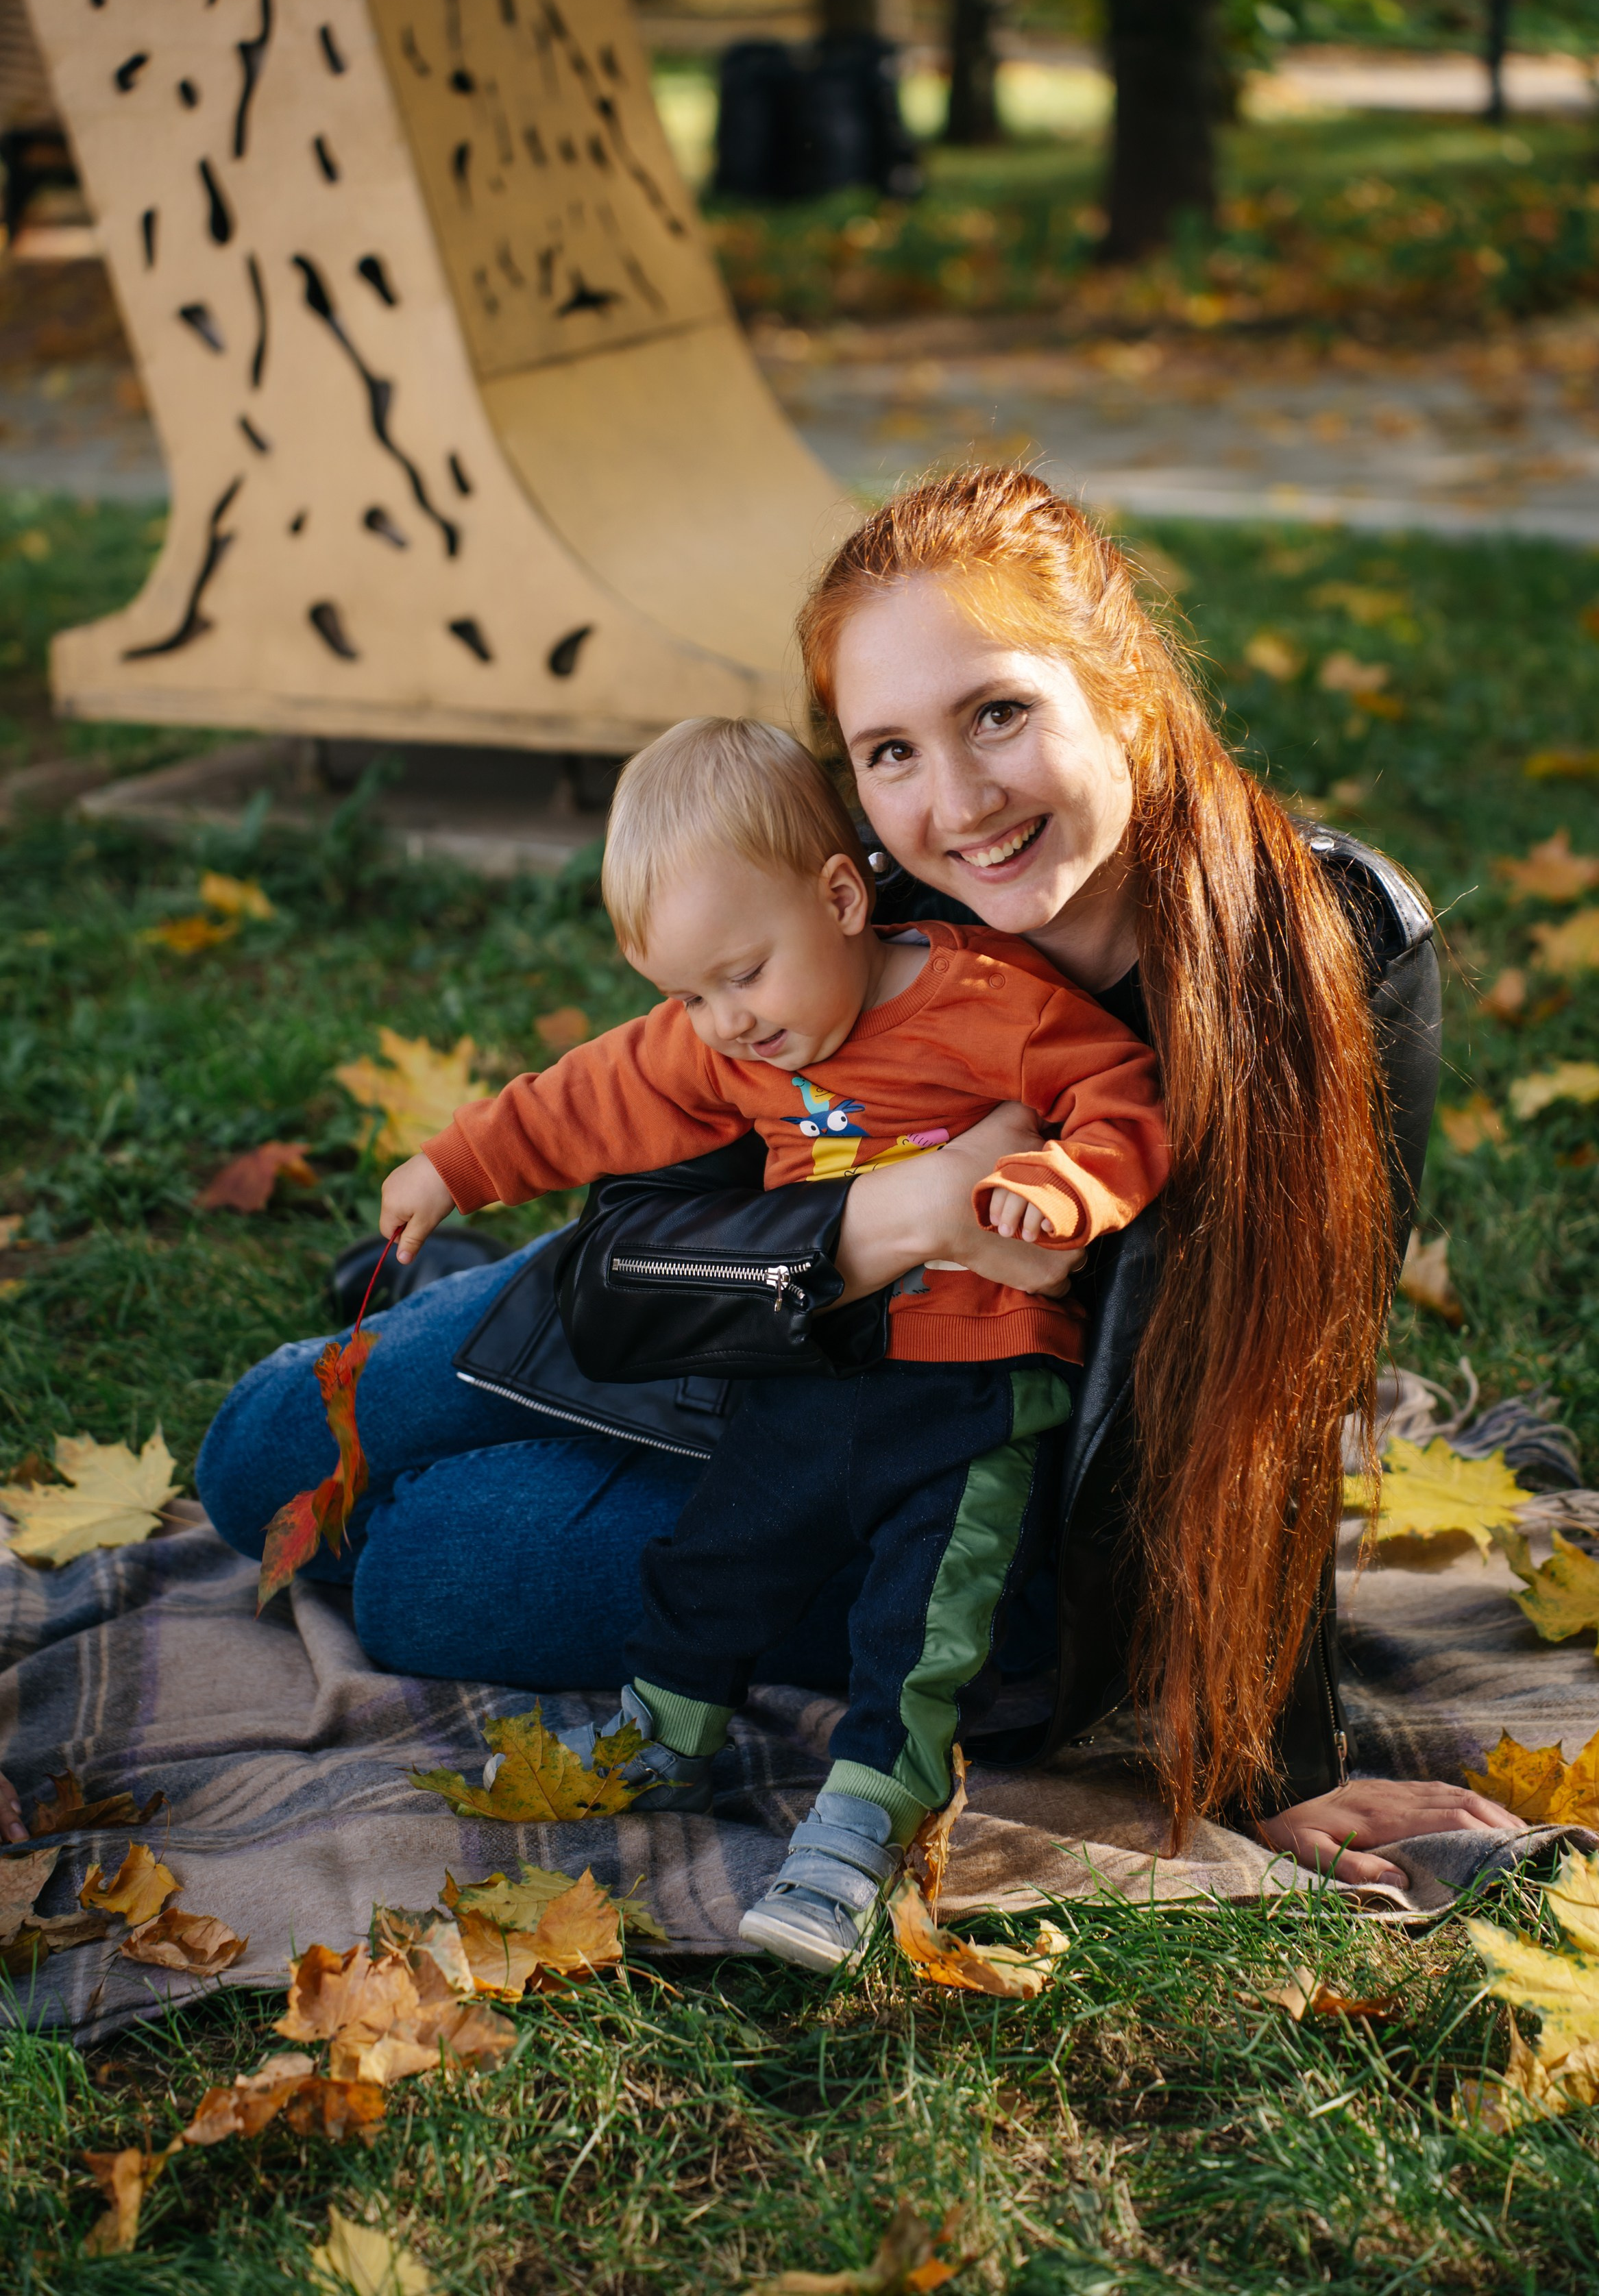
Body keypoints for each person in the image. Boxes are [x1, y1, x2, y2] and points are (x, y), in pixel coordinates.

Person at [174, 467, 1524, 1897]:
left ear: (1124, 692)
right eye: (889, 750)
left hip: (959, 1495)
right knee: (257, 1460)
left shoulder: (1324, 946)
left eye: (998, 712)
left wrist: (1280, 1761)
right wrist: (909, 1209)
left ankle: (520, 1426)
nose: (955, 802)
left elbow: (1286, 1372)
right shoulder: (863, 897)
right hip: (723, 1326)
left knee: (415, 1568)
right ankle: (466, 1328)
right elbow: (633, 1260)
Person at [378, 715, 1168, 1968]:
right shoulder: (728, 1041)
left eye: (741, 975)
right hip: (815, 1359)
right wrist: (455, 1164)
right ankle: (666, 1734)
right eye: (687, 993)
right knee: (721, 1551)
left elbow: (1119, 1093)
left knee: (921, 1620)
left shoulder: (988, 1005)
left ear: (843, 896)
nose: (723, 1021)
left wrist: (1068, 1186)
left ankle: (861, 1823)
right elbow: (588, 1094)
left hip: (974, 1387)